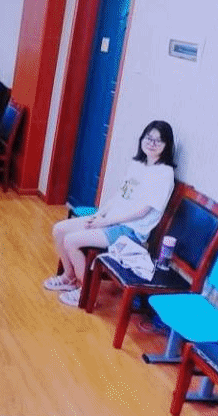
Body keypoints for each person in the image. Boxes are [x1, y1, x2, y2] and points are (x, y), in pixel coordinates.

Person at [44, 121, 177, 307]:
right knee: (59, 230)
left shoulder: (164, 174)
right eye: (149, 137)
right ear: (142, 138)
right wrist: (101, 215)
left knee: (71, 241)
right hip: (112, 221)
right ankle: (69, 277)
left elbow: (142, 212)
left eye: (158, 140)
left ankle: (85, 293)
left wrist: (106, 222)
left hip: (130, 232)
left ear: (167, 145)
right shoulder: (138, 164)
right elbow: (119, 196)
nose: (152, 143)